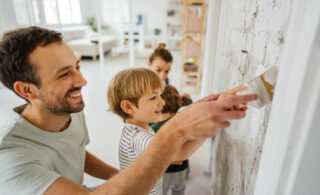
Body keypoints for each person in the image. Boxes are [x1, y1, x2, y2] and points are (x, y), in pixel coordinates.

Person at [0, 26, 257, 195]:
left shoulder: (67, 110)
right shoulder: (10, 158)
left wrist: (118, 175)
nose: (83, 80)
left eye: (77, 66)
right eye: (65, 74)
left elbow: (76, 150)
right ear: (27, 91)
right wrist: (178, 128)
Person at [107, 68, 206, 195]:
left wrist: (163, 159)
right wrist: (208, 126)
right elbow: (181, 152)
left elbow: (143, 156)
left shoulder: (133, 130)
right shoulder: (139, 137)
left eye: (160, 95)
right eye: (154, 97)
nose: (162, 102)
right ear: (128, 107)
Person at [151, 85, 189, 195]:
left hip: (164, 171)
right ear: (179, 103)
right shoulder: (183, 121)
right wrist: (189, 101)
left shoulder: (154, 129)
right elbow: (194, 112)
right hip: (182, 167)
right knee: (179, 190)